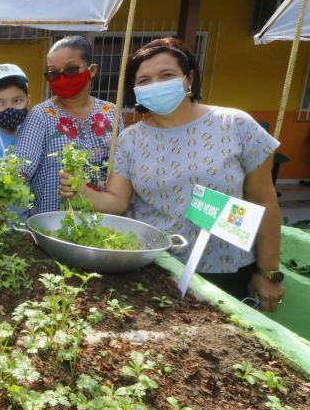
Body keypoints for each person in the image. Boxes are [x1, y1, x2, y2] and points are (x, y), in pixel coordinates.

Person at [60, 37, 284, 310]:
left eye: (166, 75)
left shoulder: (234, 124)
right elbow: (118, 201)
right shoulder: (130, 139)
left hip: (226, 270)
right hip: (156, 267)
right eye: (144, 80)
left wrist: (268, 272)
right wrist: (81, 191)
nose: (155, 85)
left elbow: (263, 201)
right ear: (135, 90)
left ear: (188, 79)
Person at [15, 35, 122, 215]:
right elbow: (20, 170)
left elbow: (121, 171)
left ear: (92, 70)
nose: (62, 78)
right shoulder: (41, 115)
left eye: (71, 70)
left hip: (102, 225)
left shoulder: (112, 113)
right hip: (52, 225)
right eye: (54, 73)